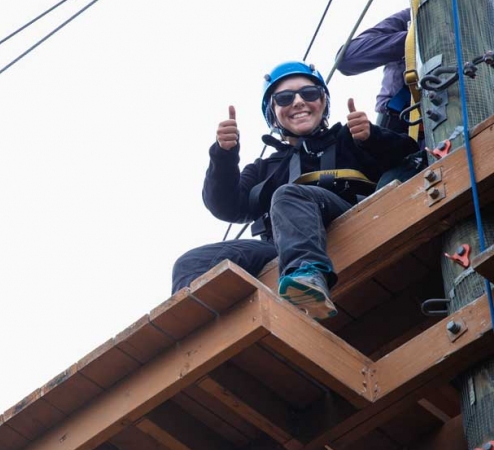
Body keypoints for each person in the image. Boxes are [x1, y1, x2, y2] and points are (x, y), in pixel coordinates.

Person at [171, 61, 419, 319]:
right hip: (282, 248)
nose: (299, 102)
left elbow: (410, 156)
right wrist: (224, 155)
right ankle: (188, 331)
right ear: (273, 112)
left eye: (309, 93)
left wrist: (372, 137)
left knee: (289, 195)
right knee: (190, 264)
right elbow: (225, 205)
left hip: (347, 220)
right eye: (285, 98)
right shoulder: (264, 170)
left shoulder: (352, 139)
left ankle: (308, 274)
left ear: (323, 102)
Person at [336, 8, 427, 187]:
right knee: (390, 189)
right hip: (401, 132)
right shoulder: (414, 15)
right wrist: (417, 36)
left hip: (472, 116)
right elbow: (347, 58)